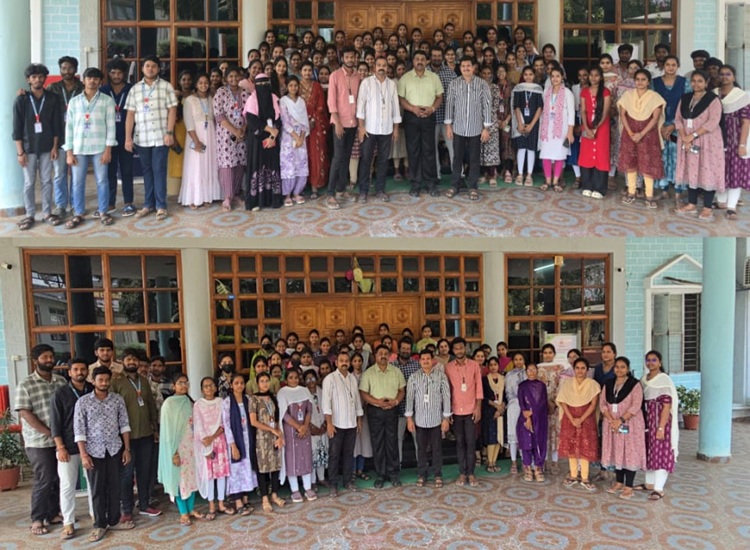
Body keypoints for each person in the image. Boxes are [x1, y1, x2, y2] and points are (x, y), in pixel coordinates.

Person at [74, 366, 134, 543]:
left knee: (115, 486)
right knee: (97, 489)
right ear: (93, 381)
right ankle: (99, 524)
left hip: (115, 449)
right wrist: (84, 455)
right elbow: (79, 430)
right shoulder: (83, 402)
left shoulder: (117, 399)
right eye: (100, 380)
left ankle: (114, 521)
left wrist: (127, 449)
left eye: (107, 380)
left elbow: (124, 424)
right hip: (93, 452)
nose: (104, 383)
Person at [15, 344, 67, 536]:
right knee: (44, 479)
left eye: (51, 356)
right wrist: (49, 432)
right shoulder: (26, 384)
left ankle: (53, 513)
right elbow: (25, 413)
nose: (49, 360)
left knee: (58, 478)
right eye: (45, 357)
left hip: (60, 439)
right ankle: (37, 519)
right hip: (38, 441)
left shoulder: (61, 381)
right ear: (35, 360)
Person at [124, 55, 178, 220]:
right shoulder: (135, 89)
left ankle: (161, 206)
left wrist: (169, 133)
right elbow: (130, 115)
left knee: (159, 171)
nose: (150, 69)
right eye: (147, 66)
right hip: (142, 138)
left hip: (161, 137)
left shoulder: (166, 86)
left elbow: (172, 111)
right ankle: (148, 204)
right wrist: (128, 138)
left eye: (154, 66)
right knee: (147, 172)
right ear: (142, 69)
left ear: (159, 69)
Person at [110, 348, 161, 520]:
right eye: (128, 359)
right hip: (126, 437)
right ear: (122, 361)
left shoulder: (144, 381)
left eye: (135, 360)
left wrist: (154, 428)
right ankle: (126, 510)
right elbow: (112, 409)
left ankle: (145, 505)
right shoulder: (116, 381)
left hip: (146, 434)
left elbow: (151, 405)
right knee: (126, 474)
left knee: (144, 472)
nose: (132, 362)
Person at [62, 67, 117, 228]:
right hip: (79, 148)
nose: (92, 81)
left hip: (100, 148)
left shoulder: (107, 101)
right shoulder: (74, 102)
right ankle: (78, 213)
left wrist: (108, 150)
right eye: (89, 78)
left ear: (100, 81)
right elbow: (69, 128)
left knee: (102, 181)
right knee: (77, 182)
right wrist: (69, 152)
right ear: (84, 80)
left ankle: (103, 211)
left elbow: (111, 127)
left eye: (96, 78)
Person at [13, 63, 63, 230]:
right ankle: (30, 214)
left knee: (47, 181)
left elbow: (56, 125)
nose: (37, 80)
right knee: (29, 182)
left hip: (48, 147)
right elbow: (17, 128)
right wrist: (20, 152)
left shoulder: (52, 98)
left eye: (41, 76)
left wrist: (55, 147)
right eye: (33, 77)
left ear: (45, 78)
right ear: (28, 80)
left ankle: (47, 213)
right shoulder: (21, 100)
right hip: (28, 149)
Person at [50, 358, 94, 540]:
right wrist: (60, 447)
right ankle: (68, 522)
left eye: (83, 369)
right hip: (68, 446)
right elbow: (55, 423)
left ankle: (95, 515)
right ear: (69, 372)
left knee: (93, 483)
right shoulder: (60, 394)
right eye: (75, 369)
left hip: (92, 445)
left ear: (87, 371)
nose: (79, 372)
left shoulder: (93, 390)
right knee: (68, 485)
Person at [673, 71, 725, 220]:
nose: (696, 84)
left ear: (706, 83)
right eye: (694, 81)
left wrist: (693, 135)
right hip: (687, 140)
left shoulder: (713, 99)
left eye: (700, 81)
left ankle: (707, 207)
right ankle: (692, 204)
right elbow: (678, 119)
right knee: (691, 170)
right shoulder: (685, 98)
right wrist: (684, 137)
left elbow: (713, 121)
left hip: (707, 141)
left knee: (708, 170)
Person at [444, 57, 493, 200]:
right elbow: (449, 104)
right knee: (457, 157)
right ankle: (455, 185)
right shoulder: (454, 84)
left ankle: (473, 186)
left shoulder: (482, 84)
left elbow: (487, 105)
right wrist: (448, 126)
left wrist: (486, 128)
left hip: (476, 128)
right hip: (458, 127)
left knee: (474, 158)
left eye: (468, 66)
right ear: (460, 68)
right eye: (463, 66)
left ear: (473, 67)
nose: (466, 68)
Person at [600, 357, 647, 500]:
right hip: (612, 424)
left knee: (629, 451)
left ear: (627, 369)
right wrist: (611, 420)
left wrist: (620, 420)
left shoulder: (634, 384)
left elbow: (636, 405)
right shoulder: (608, 384)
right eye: (617, 367)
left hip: (629, 424)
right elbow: (602, 404)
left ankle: (629, 486)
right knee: (617, 450)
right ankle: (619, 482)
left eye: (622, 367)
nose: (619, 370)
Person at [359, 345, 406, 488]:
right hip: (375, 411)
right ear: (375, 355)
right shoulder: (368, 373)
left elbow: (401, 390)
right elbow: (363, 393)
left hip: (392, 410)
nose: (383, 356)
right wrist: (377, 402)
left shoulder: (396, 371)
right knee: (378, 443)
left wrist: (395, 401)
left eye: (386, 353)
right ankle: (380, 475)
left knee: (392, 442)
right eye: (380, 353)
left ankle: (393, 474)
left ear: (390, 355)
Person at [398, 50, 444, 197]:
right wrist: (413, 109)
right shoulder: (405, 78)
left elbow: (439, 97)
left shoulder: (434, 77)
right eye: (417, 59)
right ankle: (416, 184)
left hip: (428, 116)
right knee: (413, 151)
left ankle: (431, 184)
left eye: (422, 59)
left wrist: (432, 108)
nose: (419, 61)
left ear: (426, 61)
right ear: (413, 61)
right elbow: (401, 99)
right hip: (412, 116)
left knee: (429, 150)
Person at [158, 374, 202, 525]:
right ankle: (183, 512)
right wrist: (174, 453)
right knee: (180, 480)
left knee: (192, 478)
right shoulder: (169, 404)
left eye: (186, 382)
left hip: (191, 447)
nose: (184, 385)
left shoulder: (189, 402)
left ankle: (191, 509)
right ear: (173, 386)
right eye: (180, 383)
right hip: (177, 448)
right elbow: (167, 431)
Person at [356, 56, 401, 203]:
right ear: (374, 67)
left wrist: (396, 128)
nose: (382, 68)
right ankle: (363, 191)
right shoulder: (366, 83)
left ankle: (380, 190)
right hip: (369, 129)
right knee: (366, 160)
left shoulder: (392, 85)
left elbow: (396, 107)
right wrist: (361, 127)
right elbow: (360, 106)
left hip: (387, 129)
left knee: (383, 161)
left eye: (384, 65)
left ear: (387, 67)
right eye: (379, 65)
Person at [619, 69, 666, 209]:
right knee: (630, 162)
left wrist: (641, 134)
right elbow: (622, 114)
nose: (640, 82)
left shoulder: (655, 97)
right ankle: (631, 192)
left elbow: (655, 118)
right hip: (630, 134)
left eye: (643, 79)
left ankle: (649, 195)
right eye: (637, 79)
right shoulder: (627, 95)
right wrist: (630, 132)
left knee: (648, 163)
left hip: (648, 135)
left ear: (648, 82)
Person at [405, 349, 451, 487]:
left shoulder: (441, 376)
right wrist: (409, 419)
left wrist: (446, 418)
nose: (425, 361)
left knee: (437, 449)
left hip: (436, 420)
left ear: (432, 360)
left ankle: (437, 474)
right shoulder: (414, 377)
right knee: (421, 449)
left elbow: (446, 396)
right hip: (420, 420)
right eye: (423, 359)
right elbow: (410, 398)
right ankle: (422, 474)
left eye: (428, 359)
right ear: (419, 361)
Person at [46, 56, 84, 219]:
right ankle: (61, 205)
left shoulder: (83, 88)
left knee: (76, 175)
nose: (66, 71)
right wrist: (23, 93)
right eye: (63, 68)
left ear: (76, 69)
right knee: (59, 174)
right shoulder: (52, 88)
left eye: (70, 68)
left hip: (79, 137)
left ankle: (75, 204)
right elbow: (38, 99)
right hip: (59, 137)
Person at [322, 350, 363, 496]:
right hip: (336, 424)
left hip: (351, 423)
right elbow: (326, 404)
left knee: (348, 454)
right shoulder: (330, 379)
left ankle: (347, 481)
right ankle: (333, 484)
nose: (344, 363)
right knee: (334, 455)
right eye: (341, 361)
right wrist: (329, 423)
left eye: (346, 361)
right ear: (336, 363)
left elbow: (357, 400)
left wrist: (359, 420)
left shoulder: (352, 379)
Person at [557, 358, 601, 492]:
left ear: (587, 370)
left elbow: (593, 404)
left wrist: (581, 419)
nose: (580, 371)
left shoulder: (593, 384)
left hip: (586, 420)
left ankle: (585, 477)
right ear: (574, 369)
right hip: (569, 419)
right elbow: (563, 401)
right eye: (577, 368)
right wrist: (572, 419)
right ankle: (573, 475)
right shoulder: (567, 383)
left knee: (585, 447)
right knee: (571, 446)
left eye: (583, 368)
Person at [640, 350, 679, 501]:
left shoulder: (664, 380)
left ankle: (659, 488)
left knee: (661, 452)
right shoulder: (644, 379)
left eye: (654, 360)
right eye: (648, 360)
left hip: (660, 422)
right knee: (649, 451)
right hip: (648, 421)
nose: (650, 363)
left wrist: (661, 427)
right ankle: (649, 483)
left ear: (660, 362)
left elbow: (666, 406)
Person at [325, 47, 362, 209]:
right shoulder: (335, 76)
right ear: (342, 58)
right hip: (340, 123)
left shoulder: (358, 77)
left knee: (346, 157)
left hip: (353, 124)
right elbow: (331, 102)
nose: (350, 59)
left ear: (355, 58)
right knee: (338, 158)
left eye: (352, 56)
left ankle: (341, 190)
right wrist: (337, 123)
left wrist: (359, 123)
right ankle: (330, 194)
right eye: (347, 57)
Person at [179, 73, 221, 208]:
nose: (204, 85)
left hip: (210, 136)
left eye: (206, 82)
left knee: (209, 165)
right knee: (195, 166)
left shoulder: (211, 99)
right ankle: (193, 198)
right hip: (195, 136)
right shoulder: (189, 100)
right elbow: (189, 123)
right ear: (196, 85)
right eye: (200, 82)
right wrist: (196, 141)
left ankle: (208, 195)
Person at [193, 376, 233, 519]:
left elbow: (224, 423)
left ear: (216, 388)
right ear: (202, 390)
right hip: (205, 443)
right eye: (206, 386)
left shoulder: (221, 402)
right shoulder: (198, 405)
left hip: (220, 441)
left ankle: (221, 504)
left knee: (221, 473)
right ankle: (211, 506)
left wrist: (213, 437)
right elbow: (198, 425)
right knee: (209, 475)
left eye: (211, 385)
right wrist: (207, 441)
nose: (209, 388)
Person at [652, 56, 690, 206]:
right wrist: (660, 125)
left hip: (679, 127)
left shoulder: (685, 83)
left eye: (674, 65)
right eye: (668, 64)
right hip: (659, 126)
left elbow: (688, 105)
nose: (670, 67)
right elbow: (652, 105)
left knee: (678, 158)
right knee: (661, 157)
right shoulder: (654, 83)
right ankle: (663, 189)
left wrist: (674, 125)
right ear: (664, 66)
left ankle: (679, 191)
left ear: (678, 66)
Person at [445, 337, 483, 487]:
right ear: (452, 351)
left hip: (471, 410)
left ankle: (471, 473)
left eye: (461, 348)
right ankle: (462, 473)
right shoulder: (448, 367)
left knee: (471, 443)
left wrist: (478, 408)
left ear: (465, 348)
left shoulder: (474, 365)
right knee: (460, 443)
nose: (459, 351)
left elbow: (479, 388)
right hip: (455, 411)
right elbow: (446, 391)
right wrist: (447, 412)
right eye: (456, 349)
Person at [100, 58, 135, 216]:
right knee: (109, 172)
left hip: (126, 137)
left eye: (120, 73)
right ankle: (110, 203)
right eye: (113, 73)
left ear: (124, 74)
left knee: (127, 171)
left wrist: (130, 137)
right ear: (108, 73)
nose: (116, 76)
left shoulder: (131, 89)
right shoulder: (103, 90)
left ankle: (128, 203)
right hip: (107, 139)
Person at [715, 64, 750, 220]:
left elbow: (746, 122)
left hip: (735, 138)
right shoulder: (714, 94)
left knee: (735, 171)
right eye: (721, 74)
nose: (724, 77)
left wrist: (742, 144)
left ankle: (731, 207)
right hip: (717, 137)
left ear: (734, 77)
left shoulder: (741, 96)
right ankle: (721, 202)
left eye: (728, 74)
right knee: (720, 169)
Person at [244, 73, 283, 211]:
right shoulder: (252, 99)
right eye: (259, 84)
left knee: (272, 166)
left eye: (265, 84)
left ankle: (273, 199)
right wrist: (269, 130)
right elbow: (252, 120)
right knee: (257, 166)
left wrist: (273, 136)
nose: (262, 87)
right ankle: (255, 201)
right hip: (257, 140)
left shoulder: (274, 98)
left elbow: (279, 119)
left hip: (272, 140)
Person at [277, 368, 317, 502]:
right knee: (292, 459)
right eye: (290, 377)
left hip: (305, 430)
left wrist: (305, 426)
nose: (294, 380)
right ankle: (295, 490)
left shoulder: (304, 391)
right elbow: (284, 414)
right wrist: (299, 427)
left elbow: (309, 410)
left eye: (296, 377)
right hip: (290, 431)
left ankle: (307, 487)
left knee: (306, 457)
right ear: (286, 379)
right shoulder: (282, 393)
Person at [222, 373, 258, 516]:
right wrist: (232, 445)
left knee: (247, 468)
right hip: (235, 440)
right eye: (236, 383)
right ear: (231, 385)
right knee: (236, 470)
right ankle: (238, 502)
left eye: (242, 383)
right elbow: (226, 425)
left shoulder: (248, 399)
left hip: (248, 439)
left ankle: (245, 499)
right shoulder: (227, 402)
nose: (239, 386)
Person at [214, 66, 249, 211]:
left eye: (236, 76)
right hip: (225, 135)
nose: (234, 79)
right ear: (226, 78)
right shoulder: (221, 92)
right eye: (230, 76)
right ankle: (227, 197)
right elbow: (219, 116)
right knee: (228, 165)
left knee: (240, 163)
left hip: (242, 135)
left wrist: (243, 129)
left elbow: (249, 113)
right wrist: (234, 130)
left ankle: (235, 194)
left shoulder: (245, 93)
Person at [250, 372, 286, 512]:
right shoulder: (254, 399)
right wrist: (271, 430)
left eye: (267, 381)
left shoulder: (272, 397)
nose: (265, 384)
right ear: (257, 383)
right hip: (261, 438)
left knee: (275, 466)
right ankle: (264, 498)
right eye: (262, 381)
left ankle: (274, 495)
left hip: (274, 436)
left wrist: (279, 434)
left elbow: (276, 418)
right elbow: (254, 421)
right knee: (263, 468)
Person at [539, 67, 575, 193]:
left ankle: (555, 182)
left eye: (558, 76)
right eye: (552, 76)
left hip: (561, 129)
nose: (555, 79)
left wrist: (570, 132)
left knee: (559, 155)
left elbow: (571, 113)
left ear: (562, 77)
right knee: (546, 155)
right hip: (547, 128)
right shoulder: (546, 91)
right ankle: (547, 181)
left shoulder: (567, 93)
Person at [579, 66, 612, 199]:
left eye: (596, 75)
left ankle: (600, 188)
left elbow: (605, 112)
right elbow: (583, 111)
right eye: (591, 75)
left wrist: (596, 128)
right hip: (587, 126)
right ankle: (587, 185)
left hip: (602, 127)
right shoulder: (584, 91)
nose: (593, 78)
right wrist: (587, 128)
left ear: (601, 77)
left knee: (601, 154)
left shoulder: (605, 92)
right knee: (586, 153)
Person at [299, 61, 330, 199]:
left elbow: (321, 106)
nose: (307, 73)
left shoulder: (317, 86)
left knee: (316, 154)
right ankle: (300, 186)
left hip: (315, 125)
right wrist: (302, 121)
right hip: (299, 125)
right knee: (301, 155)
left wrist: (312, 121)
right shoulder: (295, 85)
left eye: (309, 70)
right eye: (304, 70)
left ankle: (314, 186)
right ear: (301, 72)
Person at [279, 76, 310, 206]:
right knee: (289, 165)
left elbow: (305, 121)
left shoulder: (301, 101)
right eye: (290, 85)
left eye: (295, 85)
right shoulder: (283, 101)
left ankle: (297, 193)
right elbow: (285, 121)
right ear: (287, 87)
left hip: (301, 138)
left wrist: (301, 137)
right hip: (288, 137)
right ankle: (287, 194)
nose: (293, 88)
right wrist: (296, 137)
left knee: (301, 164)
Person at [512, 66, 543, 186]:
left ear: (534, 75)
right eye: (526, 74)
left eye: (531, 74)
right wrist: (520, 123)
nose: (528, 77)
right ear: (522, 76)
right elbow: (516, 106)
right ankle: (520, 174)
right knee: (521, 148)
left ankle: (529, 175)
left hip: (533, 123)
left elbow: (540, 107)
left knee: (531, 149)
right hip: (521, 122)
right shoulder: (519, 88)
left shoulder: (538, 89)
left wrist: (531, 125)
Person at [517, 363, 548, 482]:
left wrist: (533, 413)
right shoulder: (522, 386)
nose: (531, 372)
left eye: (533, 369)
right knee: (527, 442)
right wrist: (527, 417)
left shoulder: (542, 386)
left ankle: (538, 468)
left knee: (538, 442)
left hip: (539, 418)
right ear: (526, 372)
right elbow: (521, 403)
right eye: (529, 370)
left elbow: (543, 403)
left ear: (537, 371)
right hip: (525, 419)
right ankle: (528, 468)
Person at [304, 370, 329, 489]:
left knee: (322, 452)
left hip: (322, 427)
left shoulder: (322, 392)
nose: (311, 381)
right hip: (311, 429)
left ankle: (322, 478)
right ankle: (313, 480)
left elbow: (328, 407)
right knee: (312, 455)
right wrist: (310, 426)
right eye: (308, 379)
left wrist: (325, 423)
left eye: (313, 378)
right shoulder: (303, 394)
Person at [482, 357, 505, 473]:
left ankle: (494, 461)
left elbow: (505, 396)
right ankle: (489, 462)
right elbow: (484, 397)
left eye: (495, 364)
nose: (493, 367)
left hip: (501, 411)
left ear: (498, 366)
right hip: (489, 412)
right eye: (490, 365)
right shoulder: (485, 380)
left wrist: (500, 409)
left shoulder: (503, 379)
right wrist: (496, 406)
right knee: (491, 437)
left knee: (498, 437)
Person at [505, 352, 527, 473]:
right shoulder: (509, 375)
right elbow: (508, 392)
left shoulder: (529, 373)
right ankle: (513, 461)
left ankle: (525, 460)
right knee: (513, 433)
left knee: (525, 433)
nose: (518, 361)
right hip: (513, 405)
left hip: (527, 407)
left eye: (521, 359)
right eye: (516, 359)